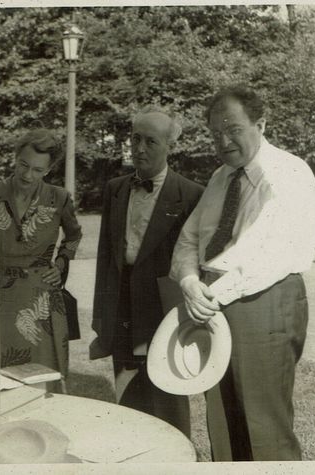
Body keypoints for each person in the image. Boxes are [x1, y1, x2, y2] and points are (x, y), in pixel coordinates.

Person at [170, 85, 315, 461]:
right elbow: (189, 239)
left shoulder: (288, 173)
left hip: (262, 303)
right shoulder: (221, 178)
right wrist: (189, 281)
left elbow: (275, 254)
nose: (223, 141)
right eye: (215, 133)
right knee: (223, 421)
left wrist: (211, 294)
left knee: (264, 427)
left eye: (234, 129)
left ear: (261, 124)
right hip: (212, 301)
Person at [89, 107, 203, 436]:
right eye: (135, 139)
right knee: (127, 393)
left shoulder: (191, 194)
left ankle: (176, 454)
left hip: (163, 306)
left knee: (168, 395)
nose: (140, 148)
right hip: (122, 304)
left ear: (170, 146)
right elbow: (105, 257)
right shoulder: (115, 188)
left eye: (150, 141)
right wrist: (102, 316)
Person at [0, 129, 82, 389]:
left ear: (49, 170)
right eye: (23, 165)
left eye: (38, 170)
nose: (28, 175)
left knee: (42, 378)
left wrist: (60, 264)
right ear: (15, 158)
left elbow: (73, 236)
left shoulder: (59, 198)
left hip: (41, 300)